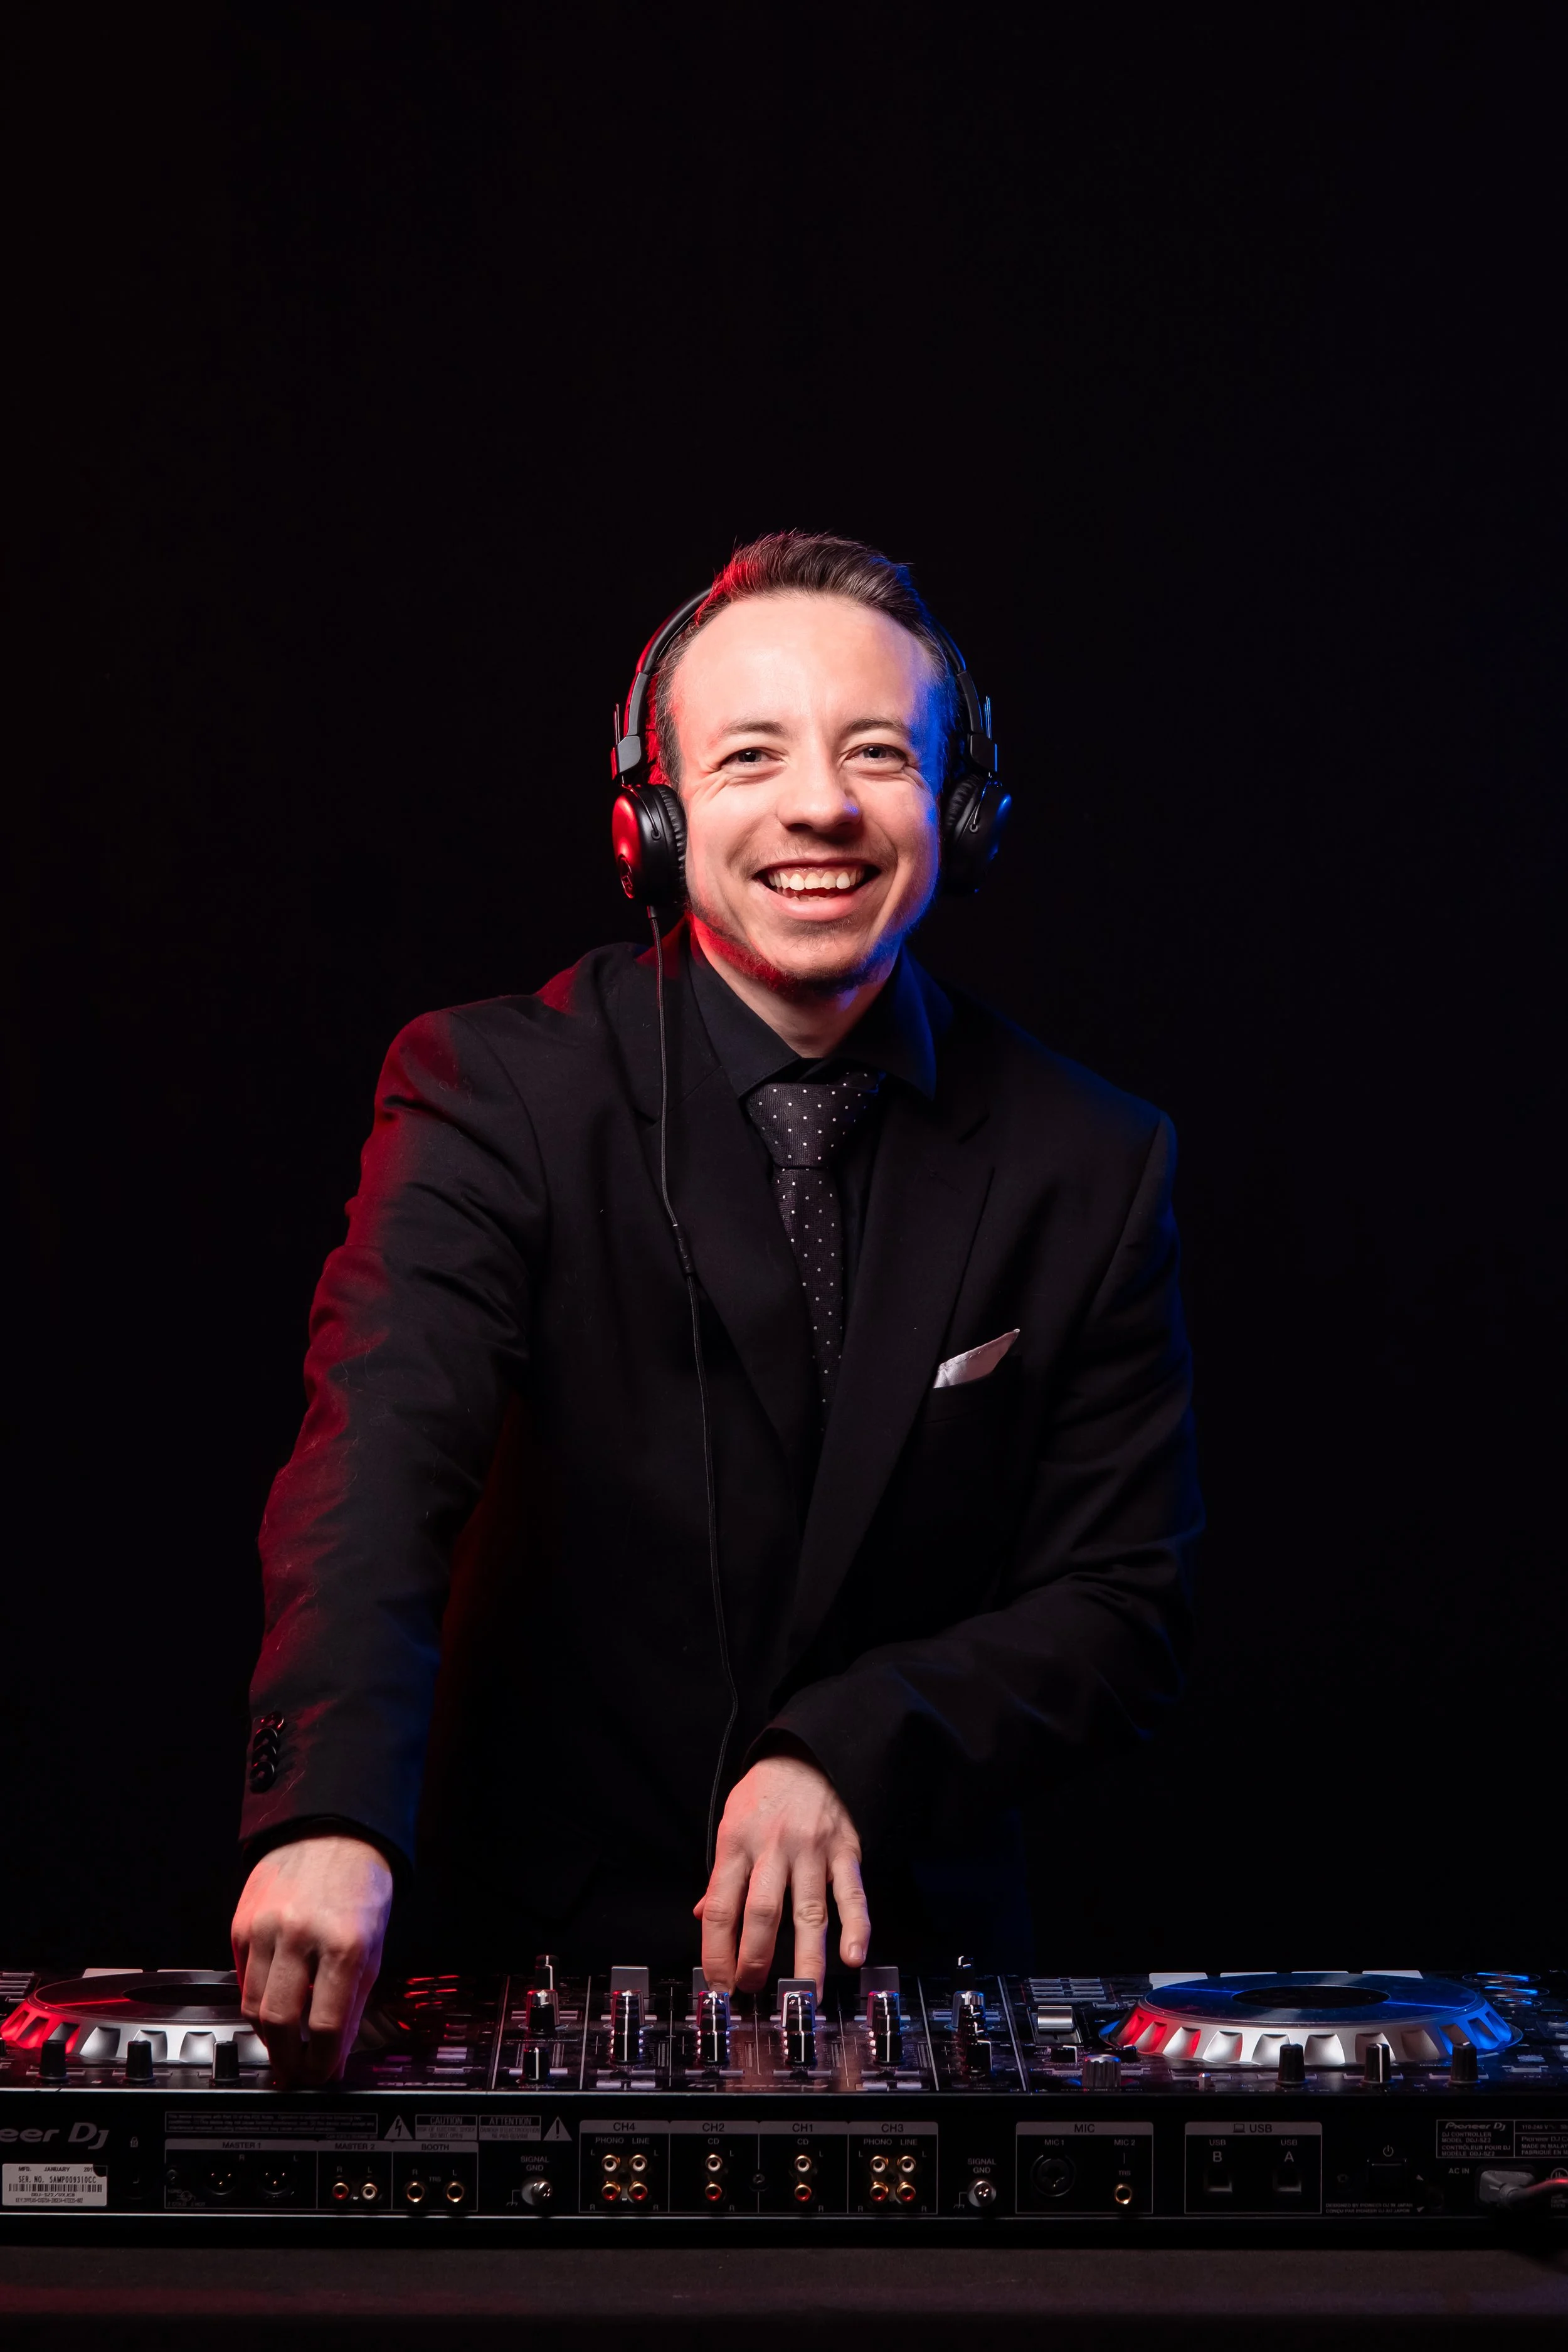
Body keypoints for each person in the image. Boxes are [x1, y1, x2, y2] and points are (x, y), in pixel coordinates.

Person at [231, 531, 1201, 2082]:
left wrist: (847, 1745)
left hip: (920, 1993)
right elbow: (379, 1464)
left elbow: (1123, 1604)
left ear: (958, 808)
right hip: (524, 1973)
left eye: (876, 753)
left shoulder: (1088, 1161)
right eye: (751, 755)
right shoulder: (489, 1093)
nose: (819, 804)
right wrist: (329, 1812)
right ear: (655, 816)